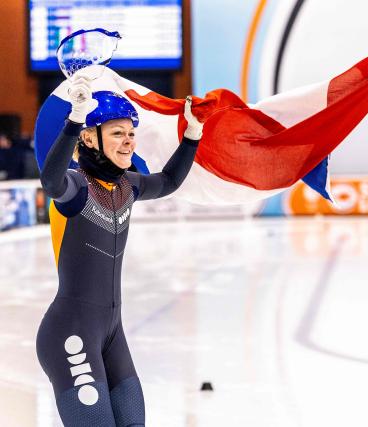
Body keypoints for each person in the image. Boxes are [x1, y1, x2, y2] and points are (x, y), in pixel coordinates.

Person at [36, 70, 204, 426]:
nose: (129, 141)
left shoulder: (128, 185)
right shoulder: (77, 188)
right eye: (118, 133)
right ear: (90, 139)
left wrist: (191, 136)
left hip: (111, 333)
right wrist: (73, 121)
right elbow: (50, 182)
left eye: (131, 134)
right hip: (71, 334)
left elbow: (170, 181)